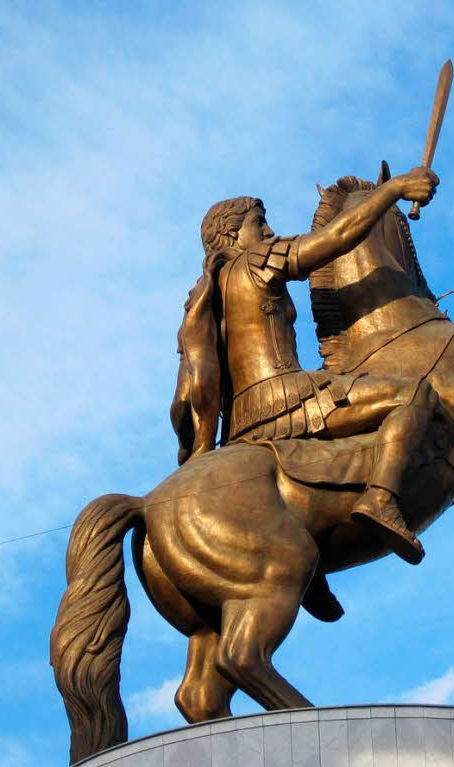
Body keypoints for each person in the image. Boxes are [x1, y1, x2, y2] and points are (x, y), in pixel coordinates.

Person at [171, 168, 439, 564]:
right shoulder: (256, 260)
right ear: (231, 236)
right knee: (416, 393)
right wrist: (394, 190)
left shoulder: (204, 295)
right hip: (288, 399)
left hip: (241, 427)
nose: (267, 231)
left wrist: (202, 448)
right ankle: (381, 498)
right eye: (258, 223)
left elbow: (195, 385)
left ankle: (310, 553)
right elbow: (335, 239)